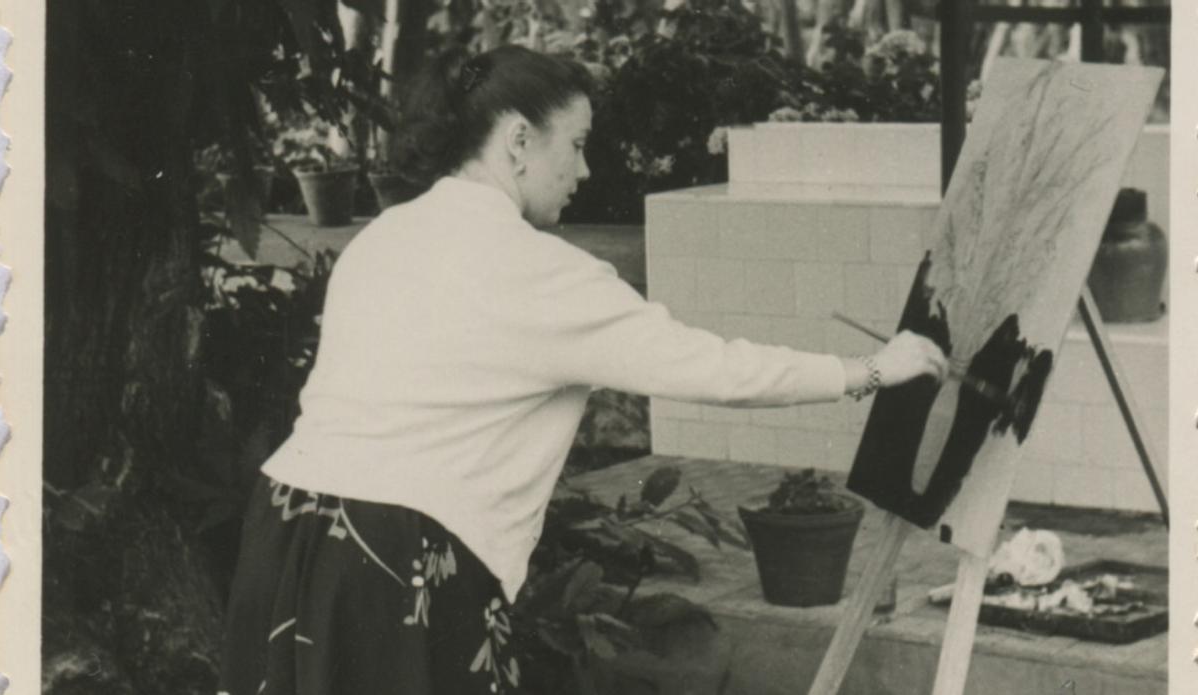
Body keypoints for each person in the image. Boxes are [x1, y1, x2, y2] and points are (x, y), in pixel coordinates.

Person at [217, 45, 948, 695]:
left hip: (285, 532)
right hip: (396, 554)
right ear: (519, 141)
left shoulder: (382, 238)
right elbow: (715, 369)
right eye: (579, 143)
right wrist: (869, 370)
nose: (587, 170)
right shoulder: (543, 273)